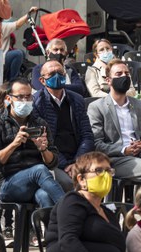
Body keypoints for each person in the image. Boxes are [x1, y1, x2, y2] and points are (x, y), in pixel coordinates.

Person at [0, 77, 64, 209]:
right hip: (9, 184)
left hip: (36, 183)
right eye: (20, 97)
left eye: (28, 97)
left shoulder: (39, 123)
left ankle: (50, 229)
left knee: (44, 195)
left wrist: (43, 149)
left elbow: (53, 163)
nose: (25, 101)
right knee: (39, 170)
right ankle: (71, 210)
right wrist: (14, 144)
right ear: (9, 99)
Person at [87, 59, 141, 187]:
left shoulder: (138, 104)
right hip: (117, 158)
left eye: (127, 73)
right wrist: (124, 150)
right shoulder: (97, 107)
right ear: (108, 80)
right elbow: (97, 144)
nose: (124, 76)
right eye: (119, 74)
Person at [33, 60, 94, 192]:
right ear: (42, 80)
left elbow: (87, 135)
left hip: (78, 158)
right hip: (53, 160)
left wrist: (77, 162)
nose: (57, 76)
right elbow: (44, 141)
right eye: (52, 73)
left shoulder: (76, 99)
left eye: (60, 73)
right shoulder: (36, 103)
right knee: (71, 183)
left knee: (98, 178)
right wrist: (66, 165)